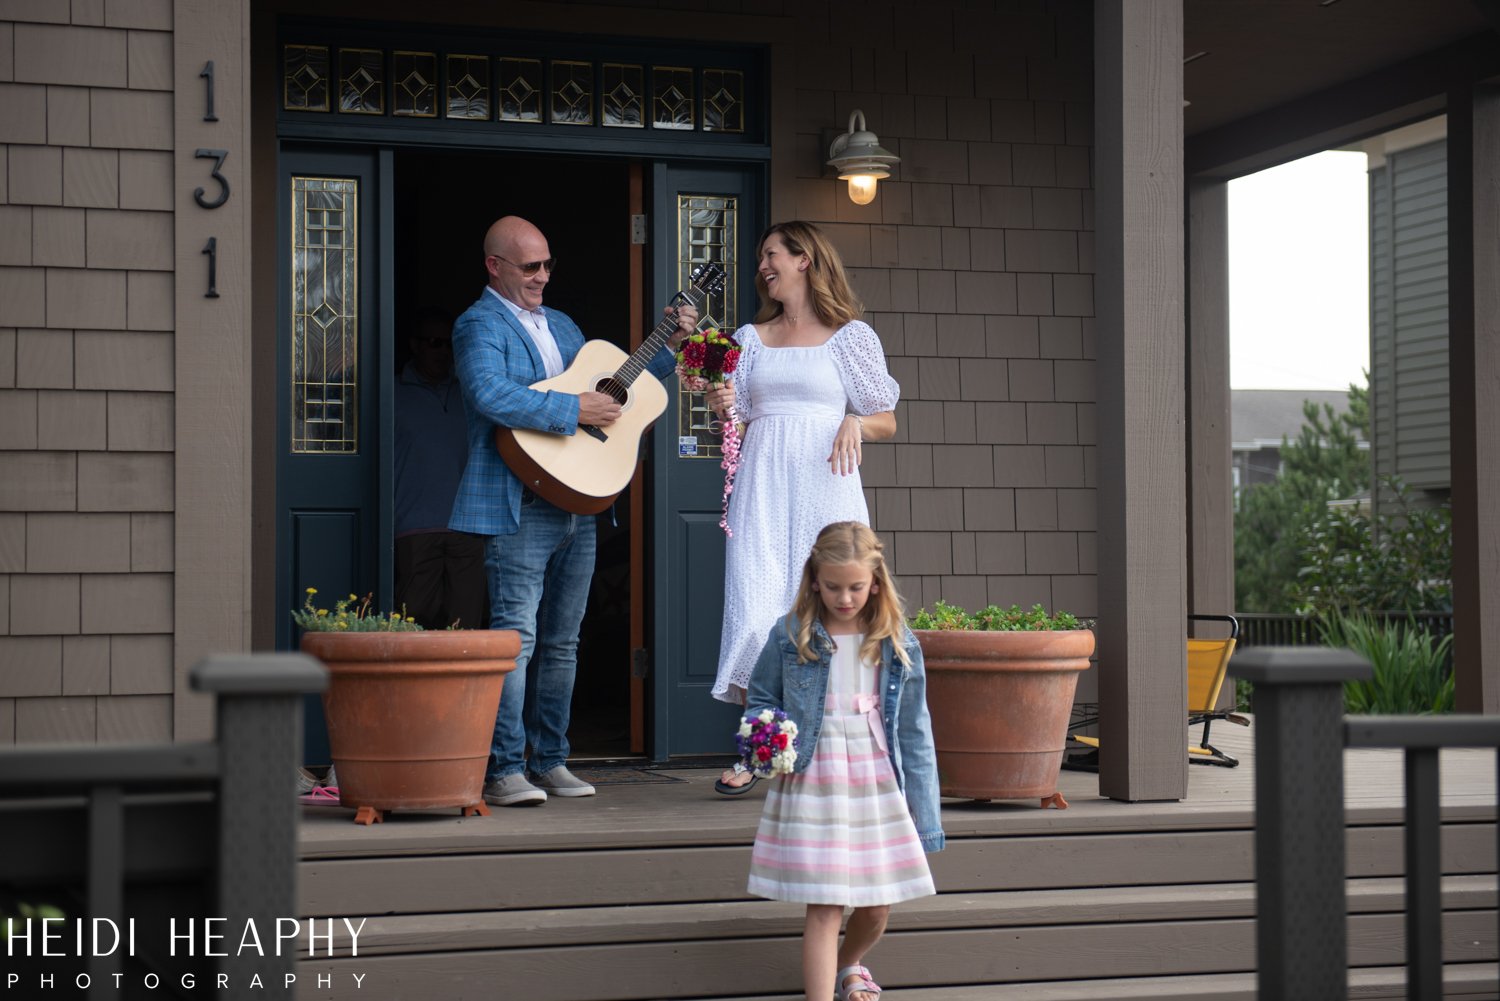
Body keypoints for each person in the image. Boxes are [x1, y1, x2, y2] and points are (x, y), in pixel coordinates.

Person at [449, 216, 697, 807]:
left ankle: (552, 758)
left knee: (562, 642)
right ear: (495, 267)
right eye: (530, 267)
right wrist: (571, 410)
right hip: (520, 502)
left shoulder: (561, 325)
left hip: (579, 503)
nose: (542, 276)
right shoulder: (477, 324)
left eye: (548, 265)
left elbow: (613, 391)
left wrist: (671, 342)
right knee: (518, 639)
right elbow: (488, 394)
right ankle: (506, 769)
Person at [706, 221, 900, 794]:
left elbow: (884, 417)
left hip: (827, 487)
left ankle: (840, 748)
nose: (763, 265)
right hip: (762, 486)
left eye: (772, 254)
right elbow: (734, 421)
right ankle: (758, 748)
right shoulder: (747, 338)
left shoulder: (850, 337)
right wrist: (721, 402)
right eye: (762, 256)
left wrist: (852, 419)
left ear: (804, 260)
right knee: (756, 614)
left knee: (835, 610)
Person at [743, 521, 943, 1001]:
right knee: (826, 905)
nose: (845, 597)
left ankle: (849, 965)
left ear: (875, 581)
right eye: (833, 586)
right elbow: (760, 697)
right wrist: (767, 739)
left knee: (876, 906)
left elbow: (915, 733)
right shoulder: (792, 634)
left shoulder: (897, 640)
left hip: (875, 776)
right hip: (817, 774)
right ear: (815, 579)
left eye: (855, 586)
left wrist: (925, 814)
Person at [394, 306, 487, 631]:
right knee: (413, 625)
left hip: (468, 527)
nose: (443, 351)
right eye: (434, 343)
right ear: (415, 345)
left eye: (449, 344)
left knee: (466, 629)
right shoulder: (390, 394)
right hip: (413, 527)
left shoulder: (472, 395)